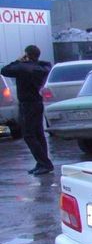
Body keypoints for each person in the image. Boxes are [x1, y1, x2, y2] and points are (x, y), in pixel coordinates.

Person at [1, 45, 53, 175]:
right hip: (37, 103)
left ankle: (44, 163)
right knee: (39, 134)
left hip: (27, 104)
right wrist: (31, 59)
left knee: (29, 134)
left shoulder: (23, 68)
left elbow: (4, 70)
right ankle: (42, 162)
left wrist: (19, 60)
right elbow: (44, 64)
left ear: (26, 54)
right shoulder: (42, 68)